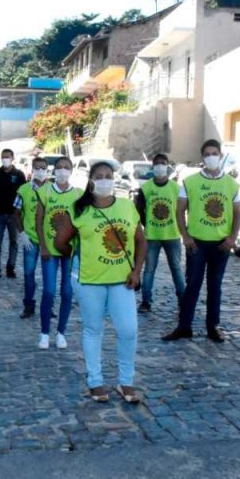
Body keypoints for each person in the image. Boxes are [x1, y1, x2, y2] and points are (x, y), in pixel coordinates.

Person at [54, 162, 146, 403]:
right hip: (88, 279)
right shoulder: (78, 209)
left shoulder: (127, 207)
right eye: (99, 176)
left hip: (121, 281)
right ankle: (95, 381)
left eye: (108, 176)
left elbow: (141, 241)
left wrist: (137, 271)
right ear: (91, 180)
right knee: (93, 329)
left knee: (128, 329)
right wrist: (79, 257)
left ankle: (126, 381)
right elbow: (60, 243)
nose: (104, 180)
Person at [164, 140, 240, 343]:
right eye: (207, 154)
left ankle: (213, 326)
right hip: (196, 243)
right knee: (193, 285)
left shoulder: (231, 184)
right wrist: (185, 236)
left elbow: (237, 213)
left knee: (215, 285)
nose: (211, 157)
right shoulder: (190, 182)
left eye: (214, 153)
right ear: (202, 157)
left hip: (221, 244)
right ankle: (184, 325)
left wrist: (233, 237)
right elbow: (179, 210)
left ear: (221, 155)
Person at [36, 156, 83, 349]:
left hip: (69, 251)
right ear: (54, 171)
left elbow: (82, 223)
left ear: (71, 171)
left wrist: (79, 250)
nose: (63, 170)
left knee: (67, 292)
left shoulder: (79, 194)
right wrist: (43, 246)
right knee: (48, 291)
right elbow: (39, 220)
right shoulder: (45, 190)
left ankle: (61, 332)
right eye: (59, 167)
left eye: (67, 167)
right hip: (50, 250)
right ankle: (44, 333)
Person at [136, 153, 185, 313]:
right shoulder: (145, 188)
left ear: (168, 166)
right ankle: (146, 301)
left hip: (172, 235)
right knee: (149, 269)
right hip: (152, 236)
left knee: (176, 269)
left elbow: (182, 210)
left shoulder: (176, 188)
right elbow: (138, 210)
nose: (160, 166)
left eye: (163, 163)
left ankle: (183, 300)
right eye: (157, 163)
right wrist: (146, 224)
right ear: (152, 166)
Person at [14, 156, 49, 319]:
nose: (40, 171)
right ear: (32, 170)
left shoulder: (52, 189)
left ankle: (49, 306)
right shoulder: (24, 190)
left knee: (49, 276)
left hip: (49, 241)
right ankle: (28, 306)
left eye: (43, 168)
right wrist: (22, 233)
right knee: (29, 274)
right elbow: (16, 212)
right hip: (31, 239)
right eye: (37, 168)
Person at [0, 148, 25, 280]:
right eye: (3, 157)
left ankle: (11, 268)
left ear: (12, 158)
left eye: (7, 157)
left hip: (13, 215)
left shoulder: (19, 174)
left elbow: (22, 194)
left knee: (14, 242)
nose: (5, 159)